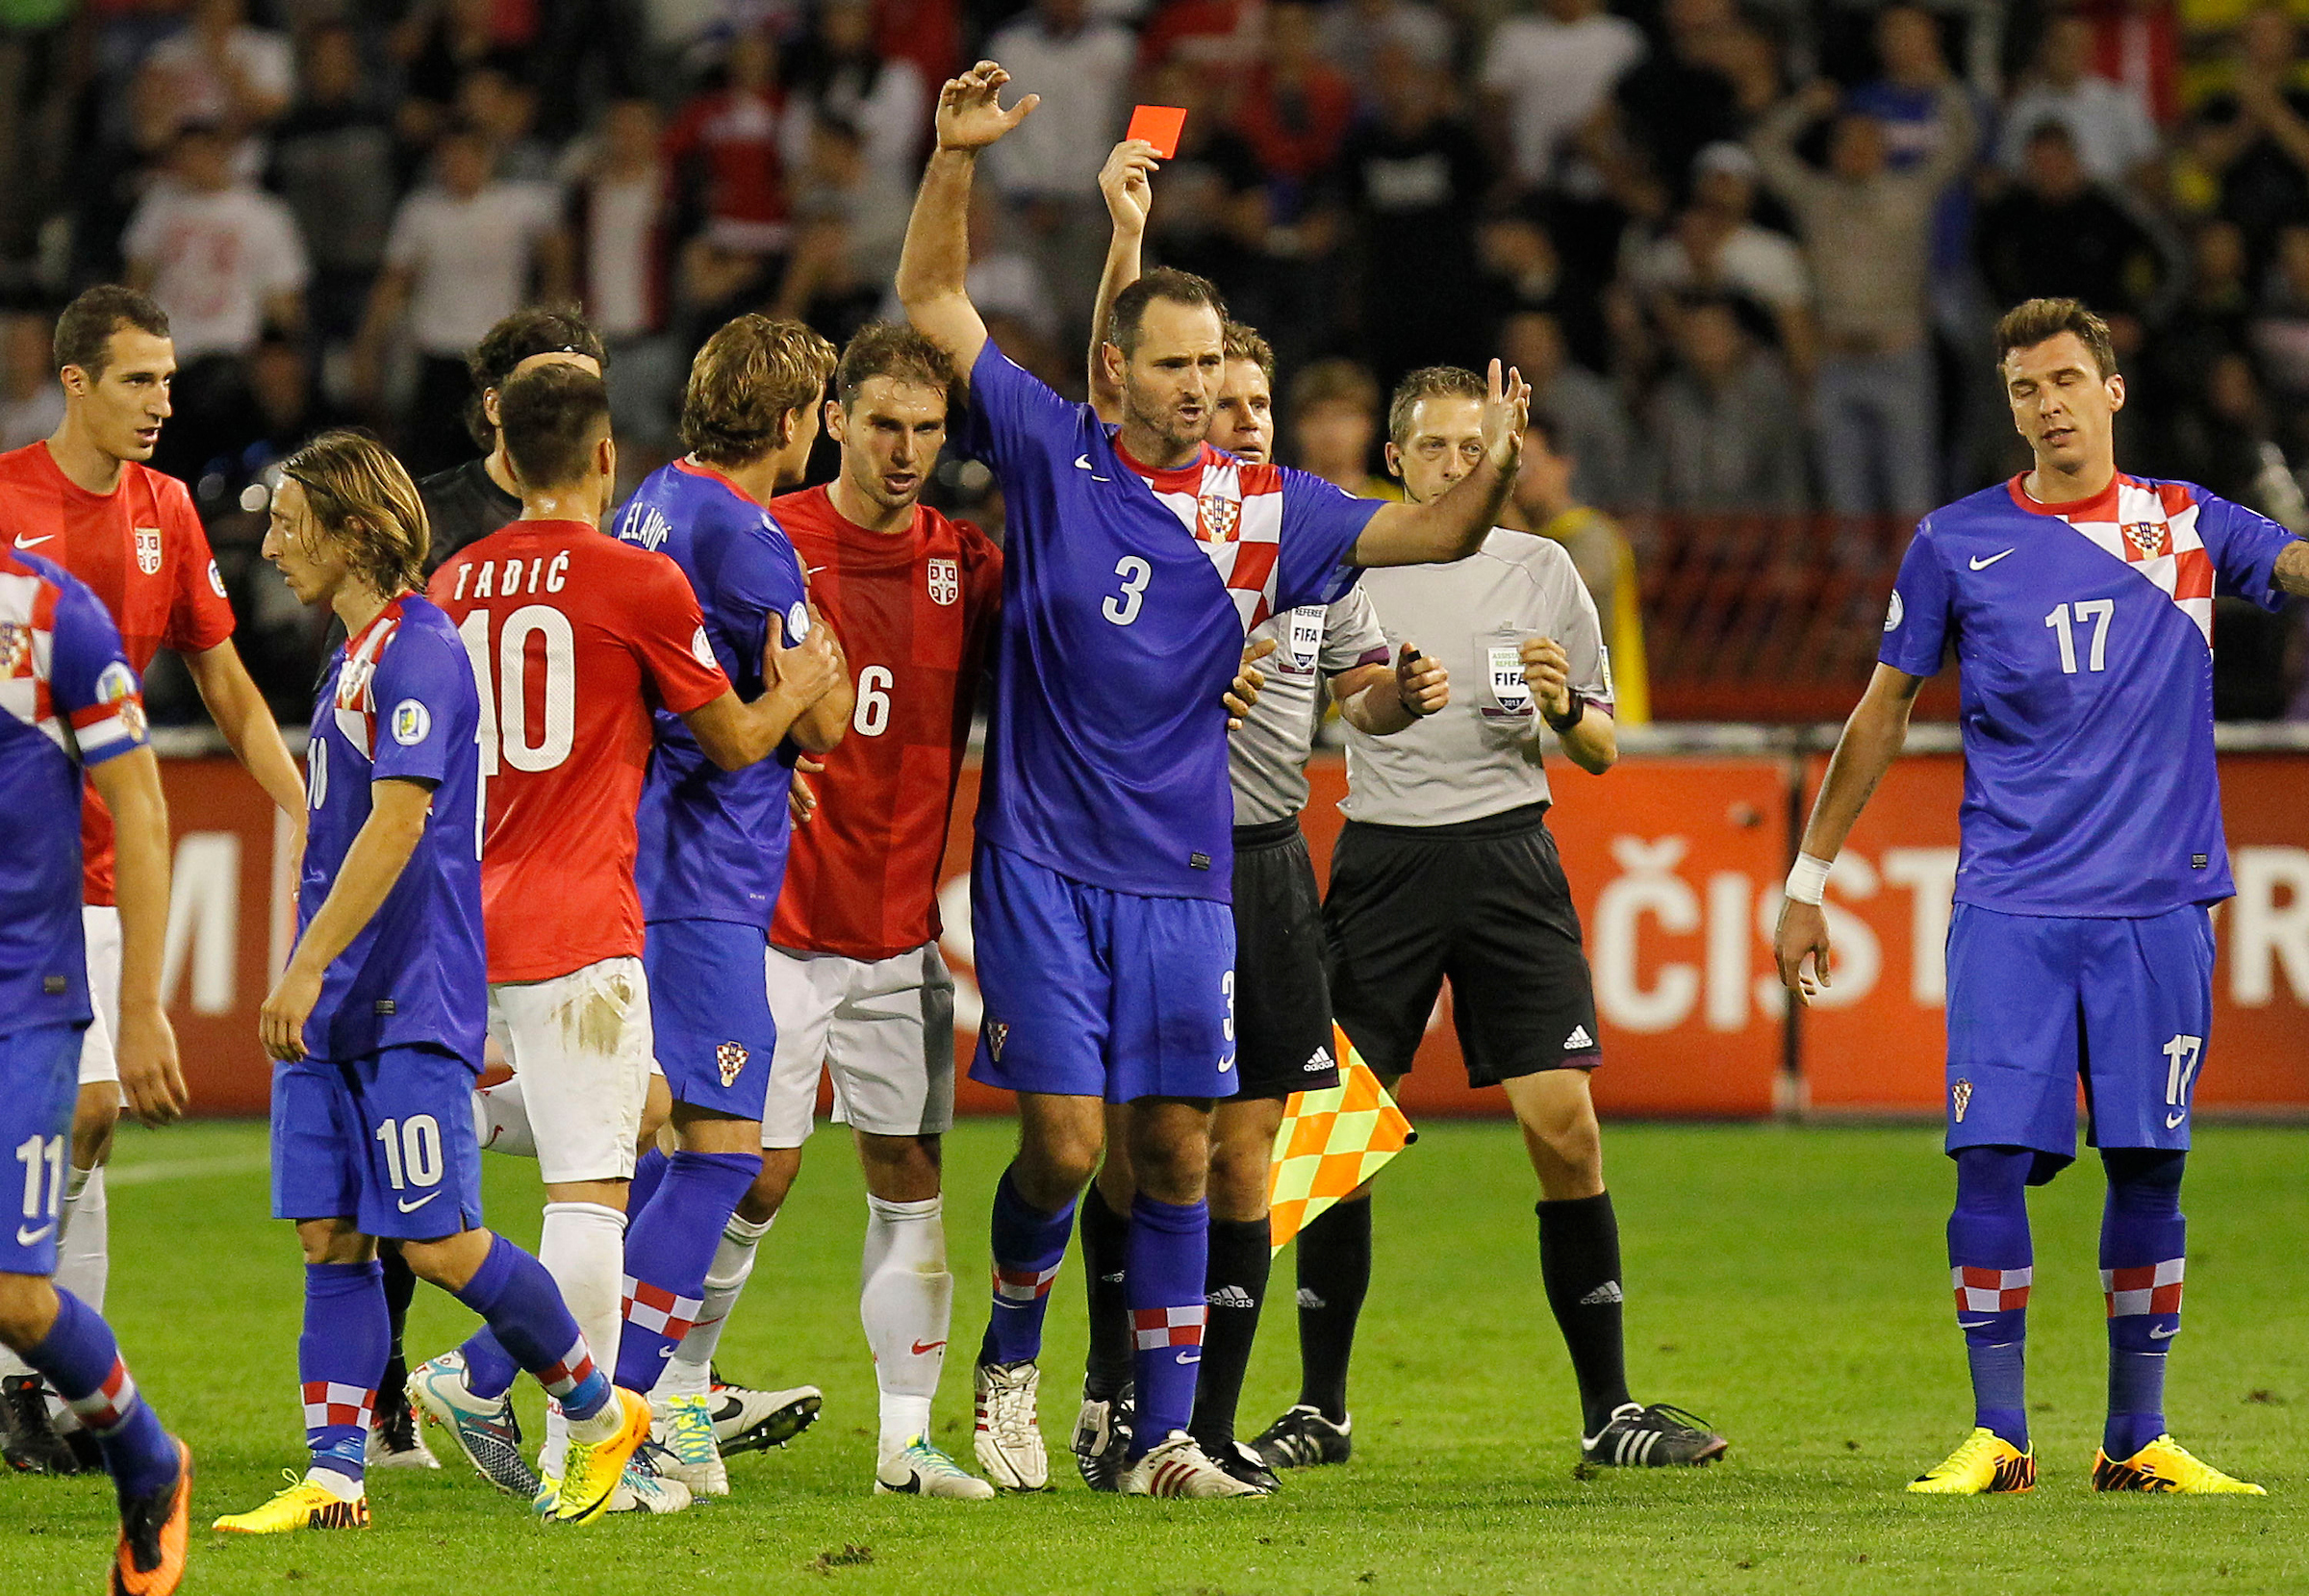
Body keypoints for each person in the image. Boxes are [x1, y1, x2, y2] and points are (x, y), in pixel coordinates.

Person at [896, 61, 1529, 1499]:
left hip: (1188, 872)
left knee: (1176, 1153)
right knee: (1064, 1146)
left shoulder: (1270, 505)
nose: (1196, 390)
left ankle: (1164, 1434)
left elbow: (1428, 540)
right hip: (1047, 861)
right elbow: (935, 305)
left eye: (1211, 366)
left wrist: (1492, 470)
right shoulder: (1055, 453)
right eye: (1171, 364)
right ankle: (1008, 1351)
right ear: (1119, 372)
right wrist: (952, 159)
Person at [1774, 296, 2307, 1497]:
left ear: (2112, 390)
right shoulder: (1956, 542)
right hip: (2012, 903)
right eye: (2025, 389)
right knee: (1989, 1158)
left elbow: (2291, 564)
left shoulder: (2182, 523)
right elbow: (1882, 713)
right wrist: (1809, 879)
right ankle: (2000, 1435)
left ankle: (2138, 1440)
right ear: (2011, 406)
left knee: (2150, 1165)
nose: (2049, 404)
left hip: (2157, 906)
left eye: (2067, 380)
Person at [1067, 137, 1448, 1495]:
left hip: (1270, 851)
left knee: (1248, 1146)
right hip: (1146, 854)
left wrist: (1396, 689)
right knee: (1139, 1141)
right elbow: (1097, 402)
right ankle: (1117, 1381)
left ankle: (1206, 1421)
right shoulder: (1151, 522)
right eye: (1215, 398)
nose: (1237, 422)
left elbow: (1360, 702)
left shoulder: (1307, 539)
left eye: (1253, 404)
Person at [1258, 365, 1726, 1474]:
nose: (1457, 468)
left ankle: (1608, 1413)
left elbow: (1603, 747)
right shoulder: (1352, 559)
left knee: (1564, 1128)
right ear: (1395, 460)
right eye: (1435, 450)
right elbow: (1334, 702)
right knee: (1334, 1141)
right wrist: (1384, 700)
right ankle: (1321, 1408)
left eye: (1477, 449)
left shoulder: (1545, 570)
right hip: (1383, 861)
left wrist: (1567, 704)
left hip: (1512, 854)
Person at [211, 431, 653, 1533]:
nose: (269, 544)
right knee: (330, 1235)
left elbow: (402, 824)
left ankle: (600, 1415)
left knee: (436, 1239)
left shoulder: (420, 649)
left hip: (405, 995)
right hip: (337, 1005)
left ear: (358, 532)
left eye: (289, 522)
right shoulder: (350, 656)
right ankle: (334, 1474)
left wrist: (307, 964)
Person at [409, 364, 828, 1512]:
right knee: (635, 1175)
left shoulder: (453, 581)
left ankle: (506, 1373)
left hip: (466, 902)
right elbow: (738, 735)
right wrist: (801, 697)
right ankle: (582, 1439)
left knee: (647, 1120)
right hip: (588, 903)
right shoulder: (635, 578)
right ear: (601, 456)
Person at [647, 322, 1003, 1501]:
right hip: (775, 926)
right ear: (832, 419)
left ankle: (906, 1443)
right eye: (884, 424)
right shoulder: (768, 540)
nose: (906, 451)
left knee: (908, 1172)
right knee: (751, 1173)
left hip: (900, 932)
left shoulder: (968, 566)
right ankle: (677, 1398)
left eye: (928, 429)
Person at [0, 286, 305, 1477]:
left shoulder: (168, 510)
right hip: (15, 859)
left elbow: (225, 685)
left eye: (170, 380)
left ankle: (43, 1387)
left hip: (95, 867)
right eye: (138, 380)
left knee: (91, 1114)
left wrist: (302, 802)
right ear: (74, 381)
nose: (161, 403)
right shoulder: (7, 499)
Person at [604, 315, 850, 1496]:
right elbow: (823, 719)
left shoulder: (653, 498)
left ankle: (536, 1378)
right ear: (799, 418)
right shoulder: (752, 538)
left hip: (653, 843)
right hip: (700, 875)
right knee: (719, 1152)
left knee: (676, 1144)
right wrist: (813, 675)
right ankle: (614, 1407)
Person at [0, 541, 193, 1592]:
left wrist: (142, 1006)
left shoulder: (55, 615)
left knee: (17, 1301)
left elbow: (145, 806)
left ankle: (147, 1454)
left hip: (25, 998)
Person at [416, 307, 606, 573]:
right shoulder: (423, 521)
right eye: (542, 393)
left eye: (585, 396)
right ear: (494, 406)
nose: (566, 410)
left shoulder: (616, 530)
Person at [1509, 412, 1649, 726]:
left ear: (1564, 465)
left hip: (1604, 718)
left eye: (1528, 464)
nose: (1519, 478)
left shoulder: (1594, 534)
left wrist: (1504, 511)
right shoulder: (1529, 538)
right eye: (1512, 467)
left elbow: (1555, 595)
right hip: (1552, 717)